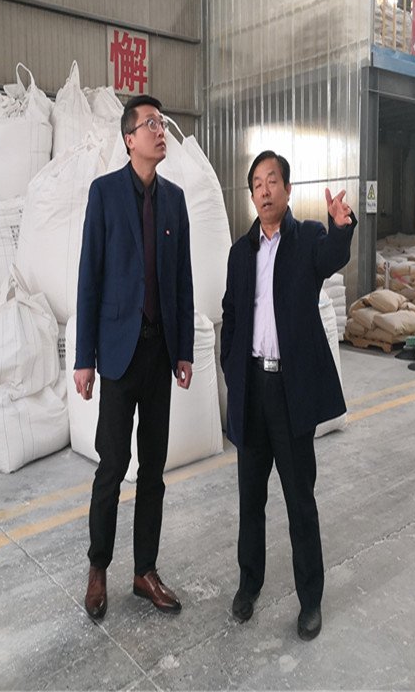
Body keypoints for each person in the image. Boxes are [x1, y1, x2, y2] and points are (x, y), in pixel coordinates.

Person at [220, 149, 356, 641]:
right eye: (256, 183)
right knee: (250, 500)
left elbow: (333, 256)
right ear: (251, 194)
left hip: (290, 391)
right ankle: (248, 584)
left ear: (287, 189)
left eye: (272, 180)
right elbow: (231, 313)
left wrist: (342, 226)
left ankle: (310, 600)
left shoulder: (308, 240)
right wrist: (231, 366)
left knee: (300, 501)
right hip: (252, 389)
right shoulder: (241, 252)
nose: (264, 190)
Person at [73, 94, 194, 621]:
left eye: (162, 124)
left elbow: (182, 280)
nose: (160, 131)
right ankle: (98, 567)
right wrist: (84, 357)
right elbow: (89, 277)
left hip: (159, 351)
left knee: (154, 469)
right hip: (119, 354)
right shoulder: (104, 194)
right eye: (150, 124)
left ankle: (145, 570)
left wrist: (184, 349)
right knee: (112, 466)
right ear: (129, 139)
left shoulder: (175, 201)